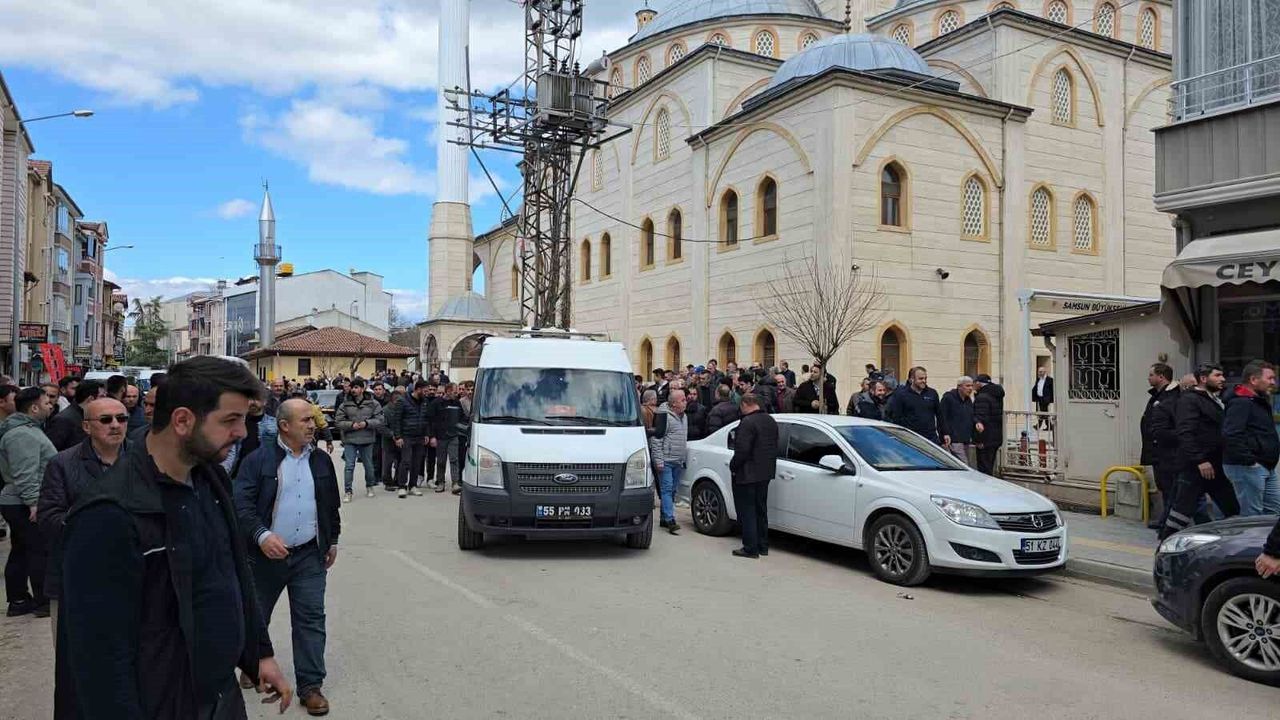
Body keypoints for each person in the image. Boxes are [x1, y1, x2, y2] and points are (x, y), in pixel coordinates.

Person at [57, 356, 292, 719]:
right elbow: (97, 659)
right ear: (182, 420)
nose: (242, 432)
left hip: (219, 696)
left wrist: (259, 653)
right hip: (160, 703)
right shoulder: (110, 513)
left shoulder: (211, 480)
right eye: (230, 420)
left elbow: (232, 575)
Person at [233, 398, 340, 716]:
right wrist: (262, 536)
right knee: (257, 615)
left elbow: (330, 504)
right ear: (284, 426)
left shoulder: (321, 460)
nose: (313, 425)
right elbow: (241, 505)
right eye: (305, 420)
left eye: (313, 419)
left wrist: (332, 540)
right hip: (265, 556)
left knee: (311, 619)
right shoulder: (258, 460)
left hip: (309, 555)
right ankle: (253, 664)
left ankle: (311, 687)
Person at [38, 396, 128, 644]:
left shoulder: (144, 459)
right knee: (77, 653)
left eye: (121, 418)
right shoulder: (62, 464)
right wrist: (95, 525)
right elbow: (48, 517)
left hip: (132, 575)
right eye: (106, 419)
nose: (115, 425)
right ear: (87, 426)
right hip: (77, 574)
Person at [1161, 363, 1240, 540]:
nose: (1223, 379)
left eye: (1222, 375)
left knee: (1231, 507)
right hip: (1195, 466)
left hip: (1214, 465)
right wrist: (1200, 460)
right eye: (1217, 375)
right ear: (1203, 379)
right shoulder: (1190, 400)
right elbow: (1185, 432)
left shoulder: (1213, 399)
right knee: (1182, 511)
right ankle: (1165, 543)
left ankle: (1233, 542)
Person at [0, 387, 58, 617]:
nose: (51, 405)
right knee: (37, 551)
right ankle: (41, 601)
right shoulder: (21, 435)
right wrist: (34, 503)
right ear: (34, 407)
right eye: (46, 402)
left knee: (23, 550)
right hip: (23, 502)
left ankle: (19, 600)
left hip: (21, 500)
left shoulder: (28, 429)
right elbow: (25, 473)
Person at [1223, 361, 1279, 516]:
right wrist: (1250, 461)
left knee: (1273, 512)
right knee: (1252, 516)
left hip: (1265, 466)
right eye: (1270, 378)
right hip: (1248, 467)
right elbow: (1231, 434)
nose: (1273, 383)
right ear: (1253, 380)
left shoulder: (1258, 401)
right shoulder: (1240, 403)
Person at [729, 394, 778, 559]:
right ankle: (763, 545)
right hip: (765, 472)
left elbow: (742, 450)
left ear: (745, 404)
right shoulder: (770, 420)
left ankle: (750, 547)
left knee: (747, 510)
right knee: (760, 509)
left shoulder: (747, 422)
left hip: (748, 473)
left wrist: (733, 466)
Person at [1141, 363, 1182, 528]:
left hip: (1167, 452)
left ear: (1161, 377)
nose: (1148, 378)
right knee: (1164, 487)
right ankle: (1165, 519)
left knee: (1170, 488)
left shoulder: (1170, 397)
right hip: (1157, 451)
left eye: (1151, 375)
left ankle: (1169, 522)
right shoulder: (1158, 396)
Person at [335, 378, 384, 502]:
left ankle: (370, 486)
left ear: (362, 389)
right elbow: (338, 421)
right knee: (349, 466)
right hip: (350, 439)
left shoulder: (373, 403)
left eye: (356, 387)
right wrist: (351, 425)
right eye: (352, 387)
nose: (353, 390)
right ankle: (348, 491)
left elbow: (380, 420)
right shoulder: (345, 404)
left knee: (368, 465)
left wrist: (366, 423)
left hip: (367, 439)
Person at [649, 388, 689, 535]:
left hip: (677, 460)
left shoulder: (684, 417)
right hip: (666, 460)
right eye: (682, 400)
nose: (686, 402)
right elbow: (656, 440)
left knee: (672, 491)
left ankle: (664, 518)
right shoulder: (664, 417)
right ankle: (670, 520)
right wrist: (659, 460)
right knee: (666, 489)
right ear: (674, 404)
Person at [391, 380, 433, 498]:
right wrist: (398, 437)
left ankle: (413, 486)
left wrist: (426, 434)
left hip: (419, 437)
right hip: (406, 436)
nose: (427, 393)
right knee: (405, 461)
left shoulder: (424, 402)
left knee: (417, 462)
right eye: (425, 391)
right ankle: (402, 486)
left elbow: (426, 419)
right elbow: (396, 420)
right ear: (418, 389)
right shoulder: (402, 401)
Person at [44, 379, 105, 452]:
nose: (105, 400)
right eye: (102, 396)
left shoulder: (89, 416)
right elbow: (51, 451)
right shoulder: (64, 420)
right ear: (91, 399)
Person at [884, 367, 942, 443]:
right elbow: (896, 417)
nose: (924, 381)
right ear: (912, 379)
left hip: (930, 438)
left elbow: (939, 415)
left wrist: (944, 433)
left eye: (925, 378)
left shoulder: (932, 393)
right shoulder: (901, 395)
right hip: (911, 438)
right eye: (920, 379)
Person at [972, 374, 1005, 475]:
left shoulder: (982, 397)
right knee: (989, 465)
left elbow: (981, 420)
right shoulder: (996, 394)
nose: (972, 386)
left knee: (983, 468)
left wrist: (979, 440)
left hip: (985, 439)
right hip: (995, 437)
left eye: (974, 383)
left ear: (978, 383)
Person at [939, 376, 976, 464]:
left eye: (971, 386)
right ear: (959, 386)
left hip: (966, 439)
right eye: (967, 386)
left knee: (964, 464)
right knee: (963, 464)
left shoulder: (968, 400)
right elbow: (942, 417)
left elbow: (970, 416)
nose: (970, 388)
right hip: (953, 439)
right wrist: (945, 433)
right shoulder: (948, 398)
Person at [380, 386, 405, 491]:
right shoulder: (385, 410)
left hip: (401, 440)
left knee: (400, 461)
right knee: (387, 463)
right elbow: (382, 427)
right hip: (388, 441)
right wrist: (392, 435)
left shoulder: (403, 410)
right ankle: (387, 482)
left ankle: (398, 480)